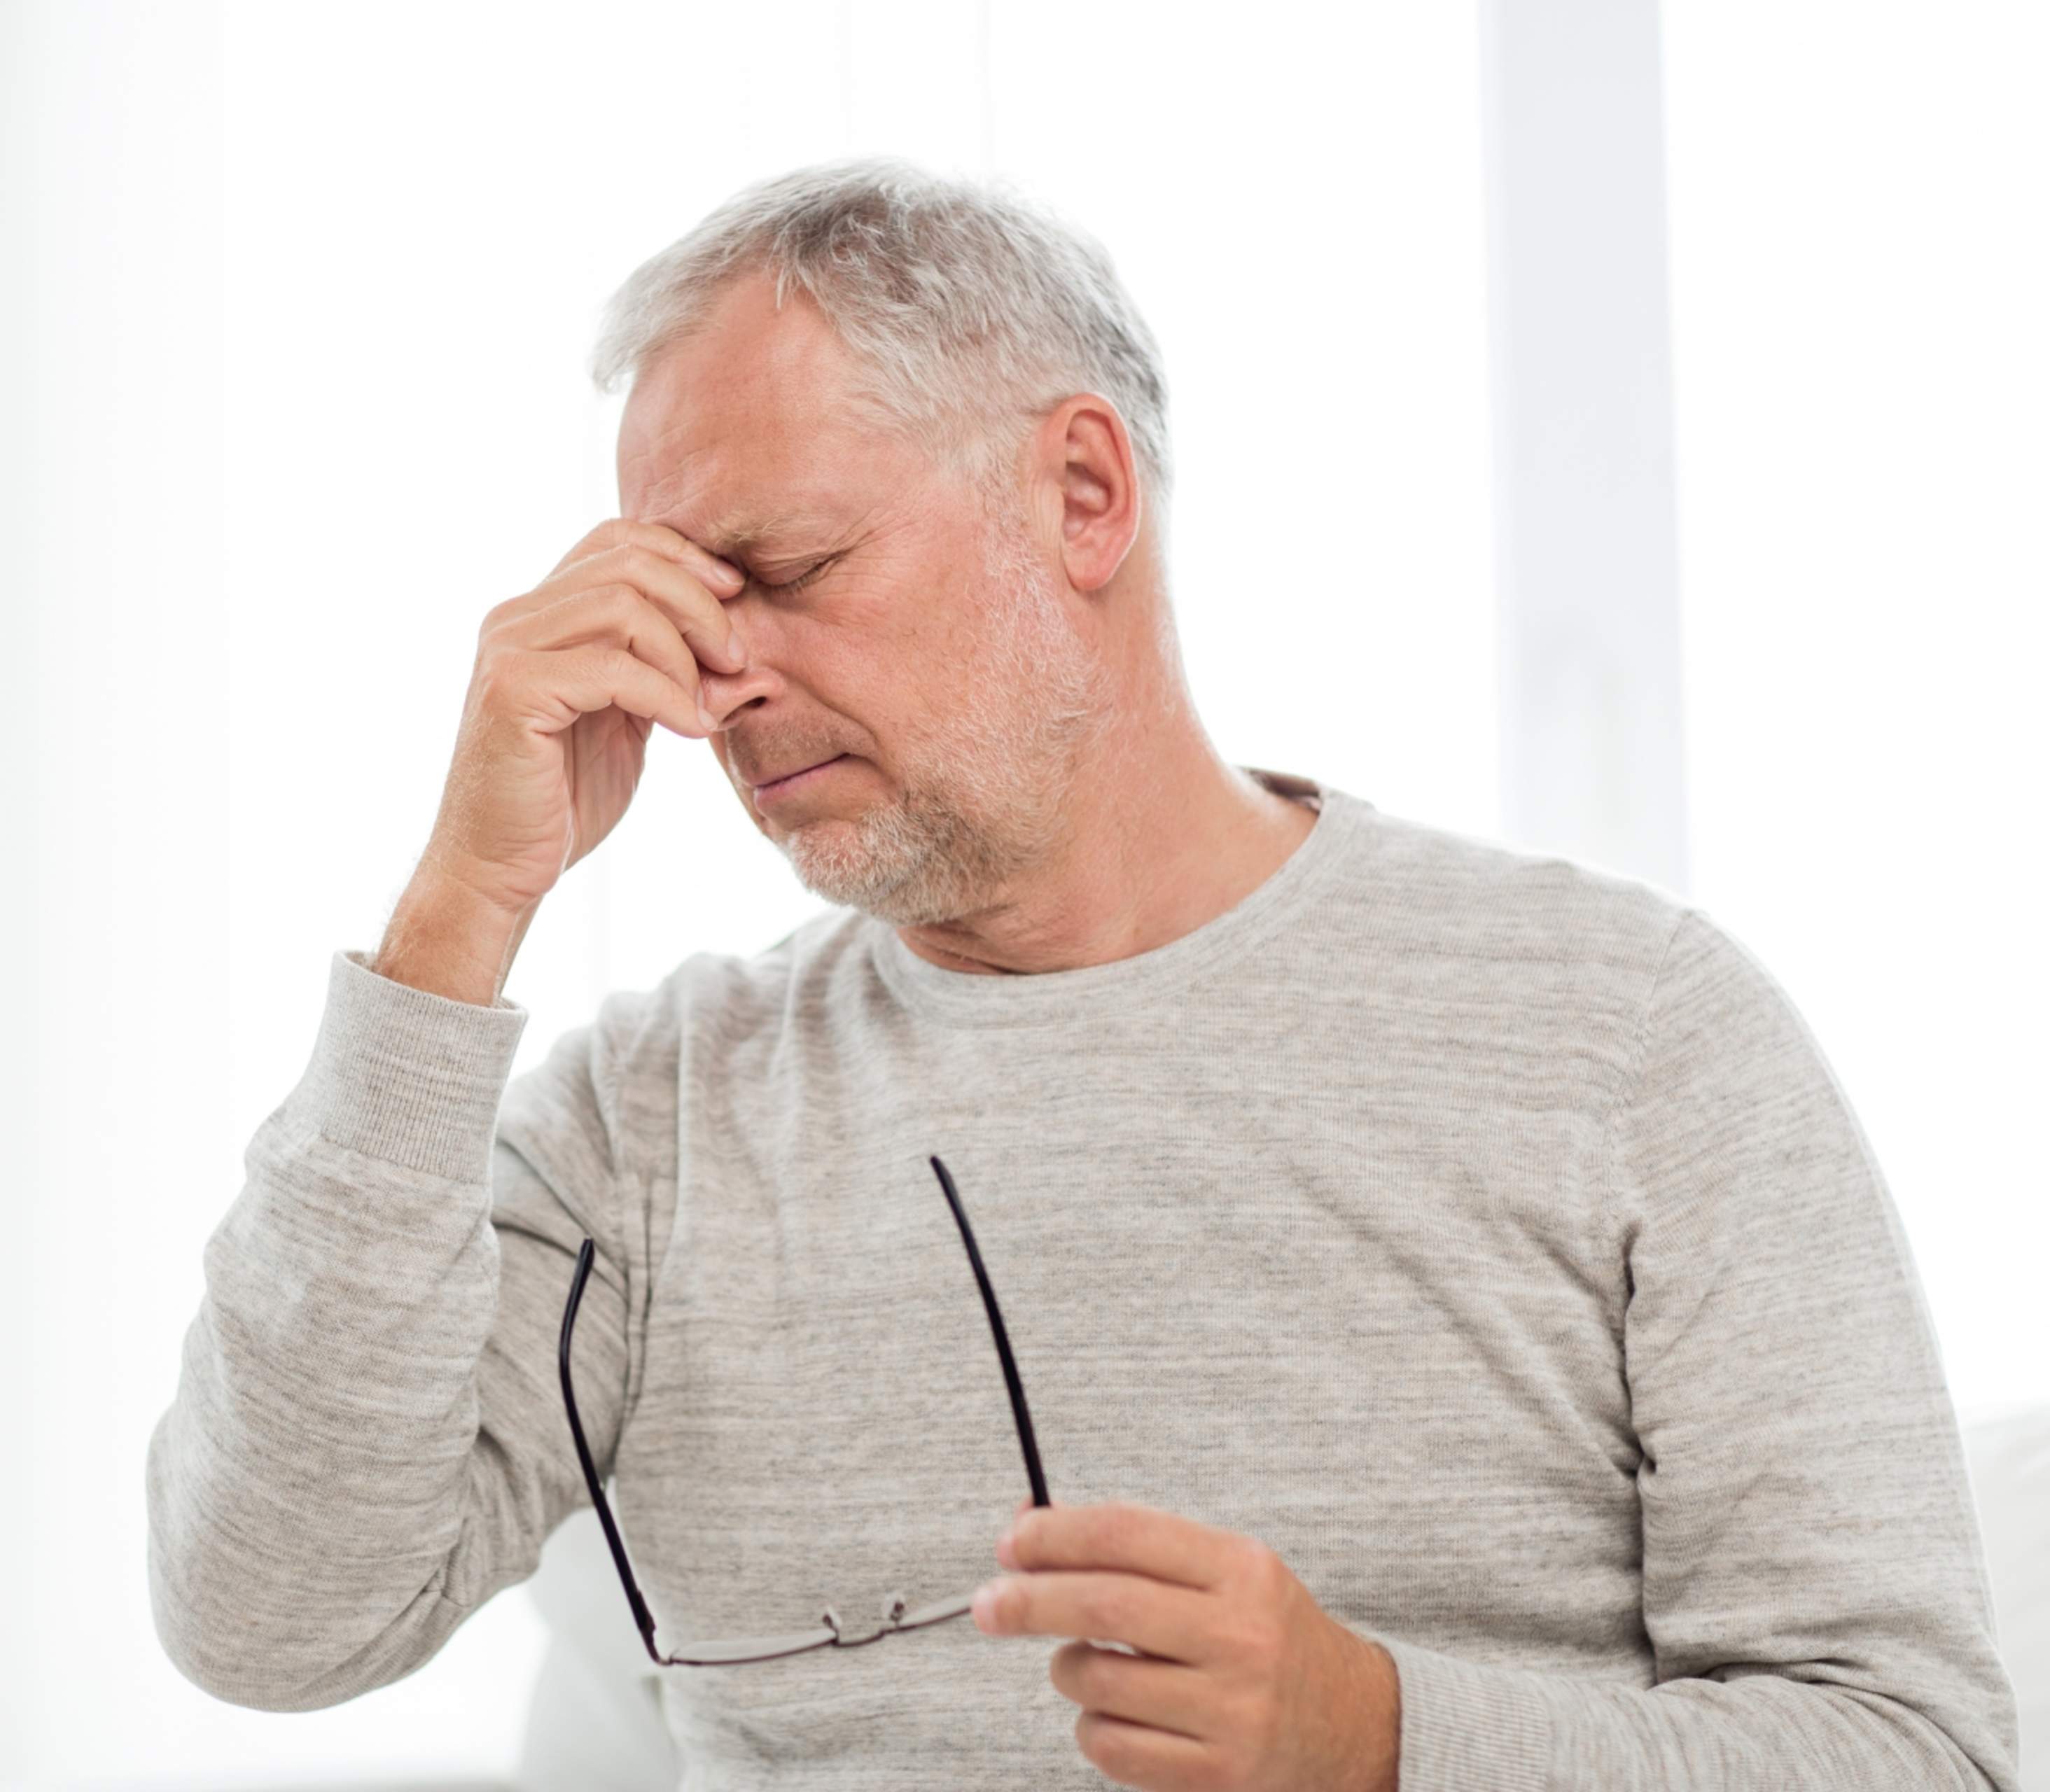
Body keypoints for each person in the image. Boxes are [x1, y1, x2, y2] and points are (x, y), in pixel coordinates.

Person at [144, 158, 2018, 1791]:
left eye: (788, 566)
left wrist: (1378, 1740)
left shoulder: (1632, 1035)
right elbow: (268, 1620)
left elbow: (1911, 1753)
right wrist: (460, 910)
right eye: (681, 602)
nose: (720, 685)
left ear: (1085, 493)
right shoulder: (649, 1124)